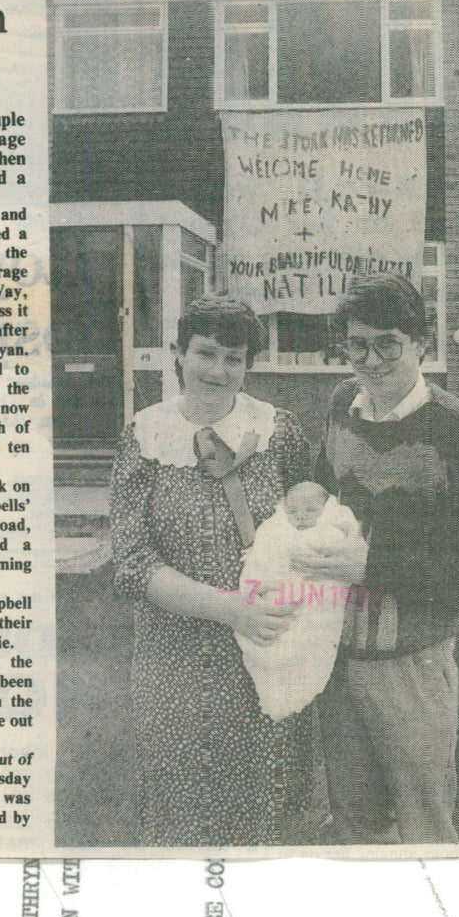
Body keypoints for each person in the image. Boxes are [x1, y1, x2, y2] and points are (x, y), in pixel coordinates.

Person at [291, 275, 459, 845]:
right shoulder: (342, 404)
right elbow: (326, 482)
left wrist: (373, 566)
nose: (371, 359)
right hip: (336, 656)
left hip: (413, 662)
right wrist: (310, 495)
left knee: (425, 828)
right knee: (355, 824)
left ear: (421, 342)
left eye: (388, 342)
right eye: (357, 344)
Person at [110, 296, 312, 847]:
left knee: (259, 806)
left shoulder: (279, 432)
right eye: (205, 353)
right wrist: (229, 608)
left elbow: (310, 529)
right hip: (172, 655)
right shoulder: (144, 435)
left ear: (248, 365)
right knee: (181, 807)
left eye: (234, 358)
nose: (218, 371)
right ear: (178, 354)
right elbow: (132, 563)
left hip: (264, 651)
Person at [236, 482, 360, 722]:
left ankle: (292, 691)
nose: (301, 516)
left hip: (314, 602)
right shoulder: (277, 528)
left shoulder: (329, 530)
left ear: (326, 510)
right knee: (272, 643)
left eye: (310, 511)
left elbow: (342, 545)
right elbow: (265, 553)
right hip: (279, 595)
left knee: (305, 644)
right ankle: (274, 691)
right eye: (293, 512)